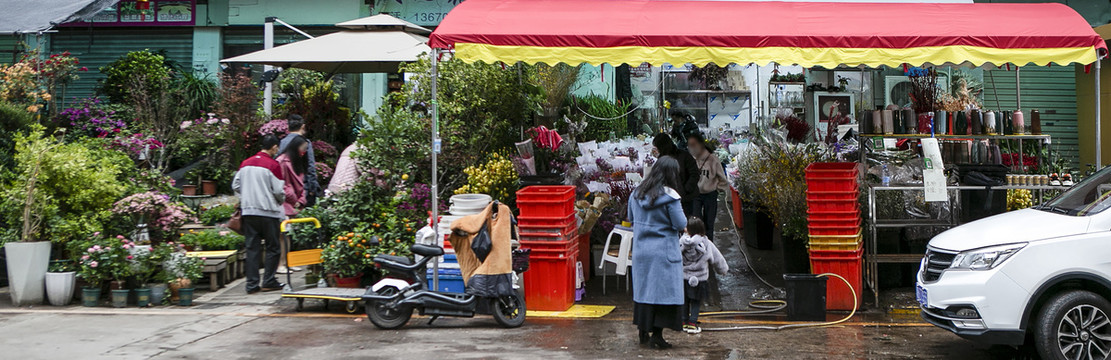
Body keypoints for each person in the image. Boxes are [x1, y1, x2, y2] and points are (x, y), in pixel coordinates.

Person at [627, 156, 687, 349]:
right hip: (663, 252)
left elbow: (630, 217)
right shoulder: (671, 198)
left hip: (642, 251)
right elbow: (680, 224)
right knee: (663, 294)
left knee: (644, 291)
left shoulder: (636, 193)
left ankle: (643, 331)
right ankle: (658, 336)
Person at [232, 134, 287, 293]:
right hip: (268, 211)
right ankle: (269, 280)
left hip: (249, 211)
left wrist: (247, 194)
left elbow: (236, 185)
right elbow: (278, 191)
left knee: (252, 248)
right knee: (273, 247)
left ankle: (252, 284)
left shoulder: (245, 163)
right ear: (274, 147)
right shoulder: (273, 165)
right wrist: (279, 200)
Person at [680, 217, 728, 334]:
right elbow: (717, 258)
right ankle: (692, 323)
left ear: (688, 230)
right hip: (700, 279)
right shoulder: (706, 243)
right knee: (696, 302)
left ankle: (683, 322)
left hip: (684, 277)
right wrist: (723, 270)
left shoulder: (681, 243)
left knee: (685, 301)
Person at [275, 136, 309, 274]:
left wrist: (300, 200)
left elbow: (302, 185)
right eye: (303, 148)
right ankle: (281, 263)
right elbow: (281, 185)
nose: (305, 152)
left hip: (295, 203)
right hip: (285, 203)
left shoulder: (297, 162)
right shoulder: (283, 161)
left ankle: (288, 262)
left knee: (289, 235)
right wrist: (294, 198)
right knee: (284, 235)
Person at [687, 133, 730, 242]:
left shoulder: (712, 159)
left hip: (710, 194)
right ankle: (699, 245)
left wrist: (717, 188)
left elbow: (722, 178)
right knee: (696, 222)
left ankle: (709, 246)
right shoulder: (691, 159)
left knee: (709, 224)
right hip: (696, 195)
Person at [653, 133, 700, 217]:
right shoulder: (661, 159)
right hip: (669, 198)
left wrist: (686, 189)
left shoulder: (684, 156)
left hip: (686, 199)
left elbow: (695, 174)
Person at [279, 115, 321, 207]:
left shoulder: (282, 142)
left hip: (286, 186)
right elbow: (310, 166)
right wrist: (312, 188)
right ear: (303, 126)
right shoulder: (305, 142)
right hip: (302, 186)